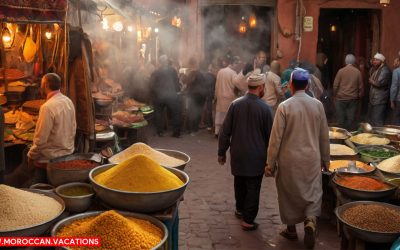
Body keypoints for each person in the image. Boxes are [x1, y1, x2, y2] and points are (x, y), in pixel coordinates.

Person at [265, 68, 330, 248]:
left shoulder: (285, 106)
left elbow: (275, 139)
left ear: (291, 85)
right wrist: (326, 159)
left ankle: (291, 230)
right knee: (312, 192)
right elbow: (324, 136)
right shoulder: (318, 105)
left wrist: (270, 163)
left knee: (288, 194)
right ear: (308, 85)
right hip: (311, 159)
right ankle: (310, 220)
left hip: (289, 160)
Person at [218, 73, 273, 231]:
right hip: (256, 156)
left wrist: (221, 153)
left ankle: (240, 209)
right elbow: (271, 137)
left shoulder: (235, 104)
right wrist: (272, 159)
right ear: (261, 87)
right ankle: (248, 220)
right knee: (253, 186)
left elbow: (224, 131)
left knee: (239, 182)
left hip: (238, 154)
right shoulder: (265, 109)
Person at [28, 73, 76, 183]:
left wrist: (31, 156)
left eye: (41, 84)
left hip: (48, 160)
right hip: (67, 155)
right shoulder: (68, 101)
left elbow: (40, 140)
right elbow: (73, 128)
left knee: (42, 191)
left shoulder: (47, 107)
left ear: (45, 85)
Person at [214, 56, 250, 137]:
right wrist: (245, 89)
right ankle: (225, 132)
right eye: (237, 64)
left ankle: (217, 132)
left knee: (219, 114)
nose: (237, 66)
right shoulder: (233, 73)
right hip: (229, 97)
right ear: (234, 63)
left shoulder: (220, 71)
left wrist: (215, 95)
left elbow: (216, 85)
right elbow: (238, 84)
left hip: (220, 95)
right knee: (227, 116)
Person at [149, 55, 182, 138]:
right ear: (167, 61)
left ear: (160, 62)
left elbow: (151, 85)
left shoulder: (156, 72)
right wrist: (177, 91)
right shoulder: (173, 71)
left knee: (159, 114)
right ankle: (176, 132)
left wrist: (155, 93)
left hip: (159, 96)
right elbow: (176, 82)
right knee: (176, 113)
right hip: (171, 95)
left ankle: (160, 132)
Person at [333, 54, 364, 130]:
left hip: (340, 99)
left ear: (345, 61)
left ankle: (341, 137)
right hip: (352, 99)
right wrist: (359, 97)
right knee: (351, 120)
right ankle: (349, 136)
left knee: (341, 119)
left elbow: (335, 85)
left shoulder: (341, 71)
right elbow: (361, 87)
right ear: (354, 62)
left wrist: (335, 95)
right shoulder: (357, 72)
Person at [368, 53, 392, 126]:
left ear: (382, 61)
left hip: (379, 100)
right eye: (374, 60)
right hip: (374, 99)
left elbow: (378, 84)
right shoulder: (377, 69)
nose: (374, 62)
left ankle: (379, 137)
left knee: (377, 121)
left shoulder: (385, 70)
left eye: (376, 60)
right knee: (373, 120)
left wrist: (371, 81)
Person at [390, 57, 400, 125]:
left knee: (396, 119)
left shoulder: (396, 71)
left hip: (398, 99)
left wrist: (392, 100)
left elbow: (394, 87)